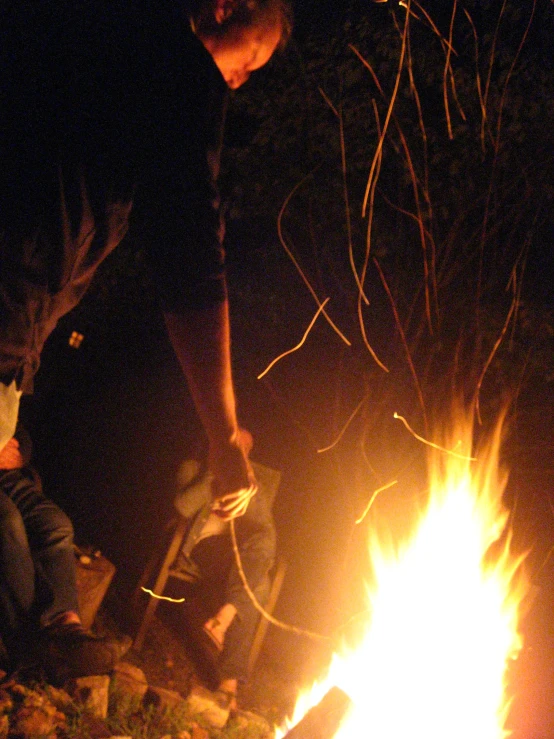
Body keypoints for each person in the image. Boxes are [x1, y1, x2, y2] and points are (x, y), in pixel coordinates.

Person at [0, 0, 292, 523]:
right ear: (224, 9)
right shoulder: (176, 69)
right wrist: (224, 436)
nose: (240, 82)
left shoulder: (95, 30)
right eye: (248, 61)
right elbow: (188, 250)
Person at [0, 425, 131, 684]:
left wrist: (20, 454)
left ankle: (65, 625)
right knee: (8, 523)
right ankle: (28, 646)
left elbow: (19, 427)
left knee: (56, 524)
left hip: (5, 473)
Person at [172, 447, 277, 712]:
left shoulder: (250, 484)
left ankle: (227, 613)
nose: (239, 454)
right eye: (233, 447)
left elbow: (265, 532)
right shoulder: (194, 469)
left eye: (244, 451)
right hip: (203, 548)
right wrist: (215, 473)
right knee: (258, 588)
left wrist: (250, 487)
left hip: (235, 557)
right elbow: (182, 507)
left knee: (261, 564)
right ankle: (229, 684)